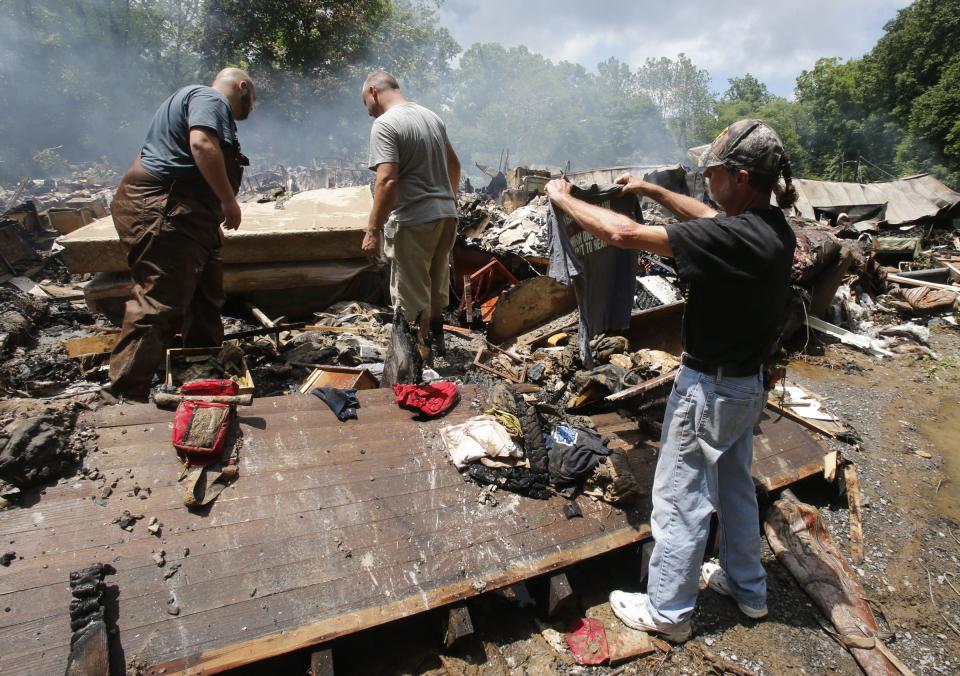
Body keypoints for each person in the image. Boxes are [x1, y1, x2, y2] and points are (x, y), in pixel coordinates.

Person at [545, 119, 798, 642]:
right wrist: (652, 190)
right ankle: (747, 589)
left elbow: (621, 234)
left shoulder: (736, 236)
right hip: (747, 387)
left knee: (680, 497)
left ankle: (669, 612)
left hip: (710, 390)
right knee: (734, 491)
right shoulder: (769, 228)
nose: (707, 175)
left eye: (716, 168)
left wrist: (562, 198)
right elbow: (706, 217)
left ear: (743, 176)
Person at [108, 68, 255, 400]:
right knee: (159, 302)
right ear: (242, 87)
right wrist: (227, 201)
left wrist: (209, 216)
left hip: (185, 215)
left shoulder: (188, 102)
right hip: (166, 212)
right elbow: (201, 144)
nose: (251, 109)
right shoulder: (210, 97)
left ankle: (201, 375)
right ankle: (122, 398)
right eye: (252, 101)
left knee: (206, 295)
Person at [361, 69, 460, 356]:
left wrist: (372, 229)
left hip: (415, 221)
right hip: (445, 217)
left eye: (365, 103)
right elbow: (454, 165)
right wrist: (447, 199)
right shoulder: (432, 117)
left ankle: (418, 364)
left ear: (373, 92)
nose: (368, 112)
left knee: (411, 298)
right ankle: (438, 347)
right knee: (433, 285)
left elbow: (387, 180)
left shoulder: (386, 124)